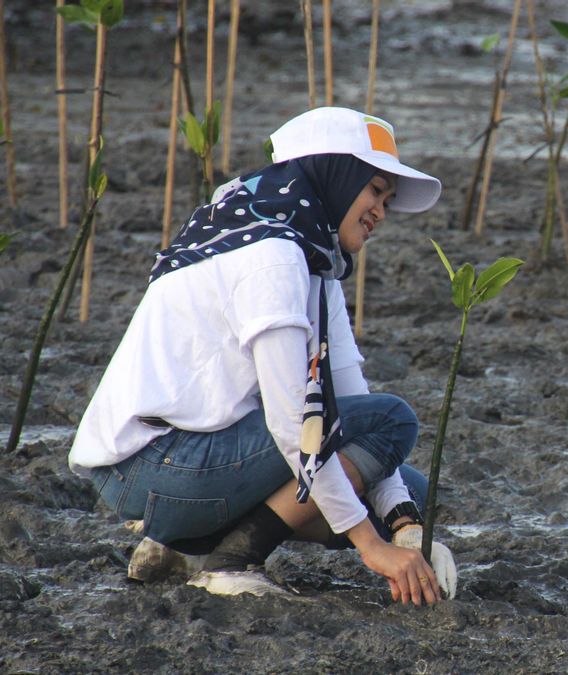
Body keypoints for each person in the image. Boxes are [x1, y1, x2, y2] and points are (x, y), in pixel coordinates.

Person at [69, 107, 457, 604]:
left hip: (197, 462)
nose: (382, 210)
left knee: (408, 489)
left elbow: (352, 403)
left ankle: (182, 548)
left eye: (389, 198)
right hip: (153, 467)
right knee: (392, 423)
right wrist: (372, 547)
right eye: (375, 190)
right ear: (332, 176)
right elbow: (297, 422)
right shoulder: (270, 256)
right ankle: (231, 562)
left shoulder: (314, 258)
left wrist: (404, 528)